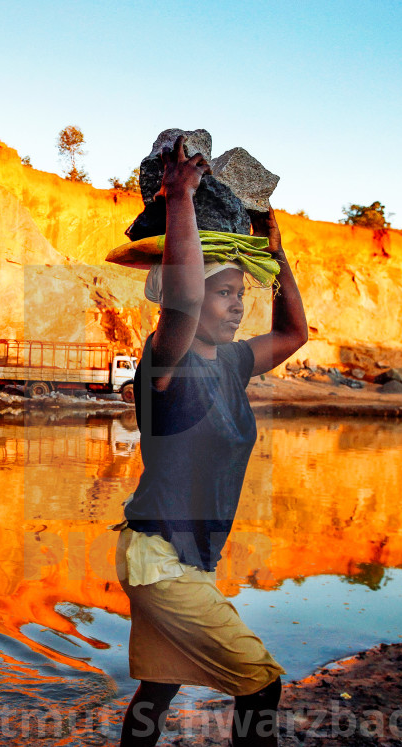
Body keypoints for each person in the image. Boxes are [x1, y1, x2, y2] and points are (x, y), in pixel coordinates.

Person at [112, 136, 309, 747]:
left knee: (158, 692)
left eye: (239, 296)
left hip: (175, 560)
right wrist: (178, 199)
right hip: (160, 561)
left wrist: (277, 258)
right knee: (261, 684)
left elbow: (295, 332)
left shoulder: (231, 363)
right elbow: (183, 300)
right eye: (226, 295)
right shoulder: (163, 363)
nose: (234, 308)